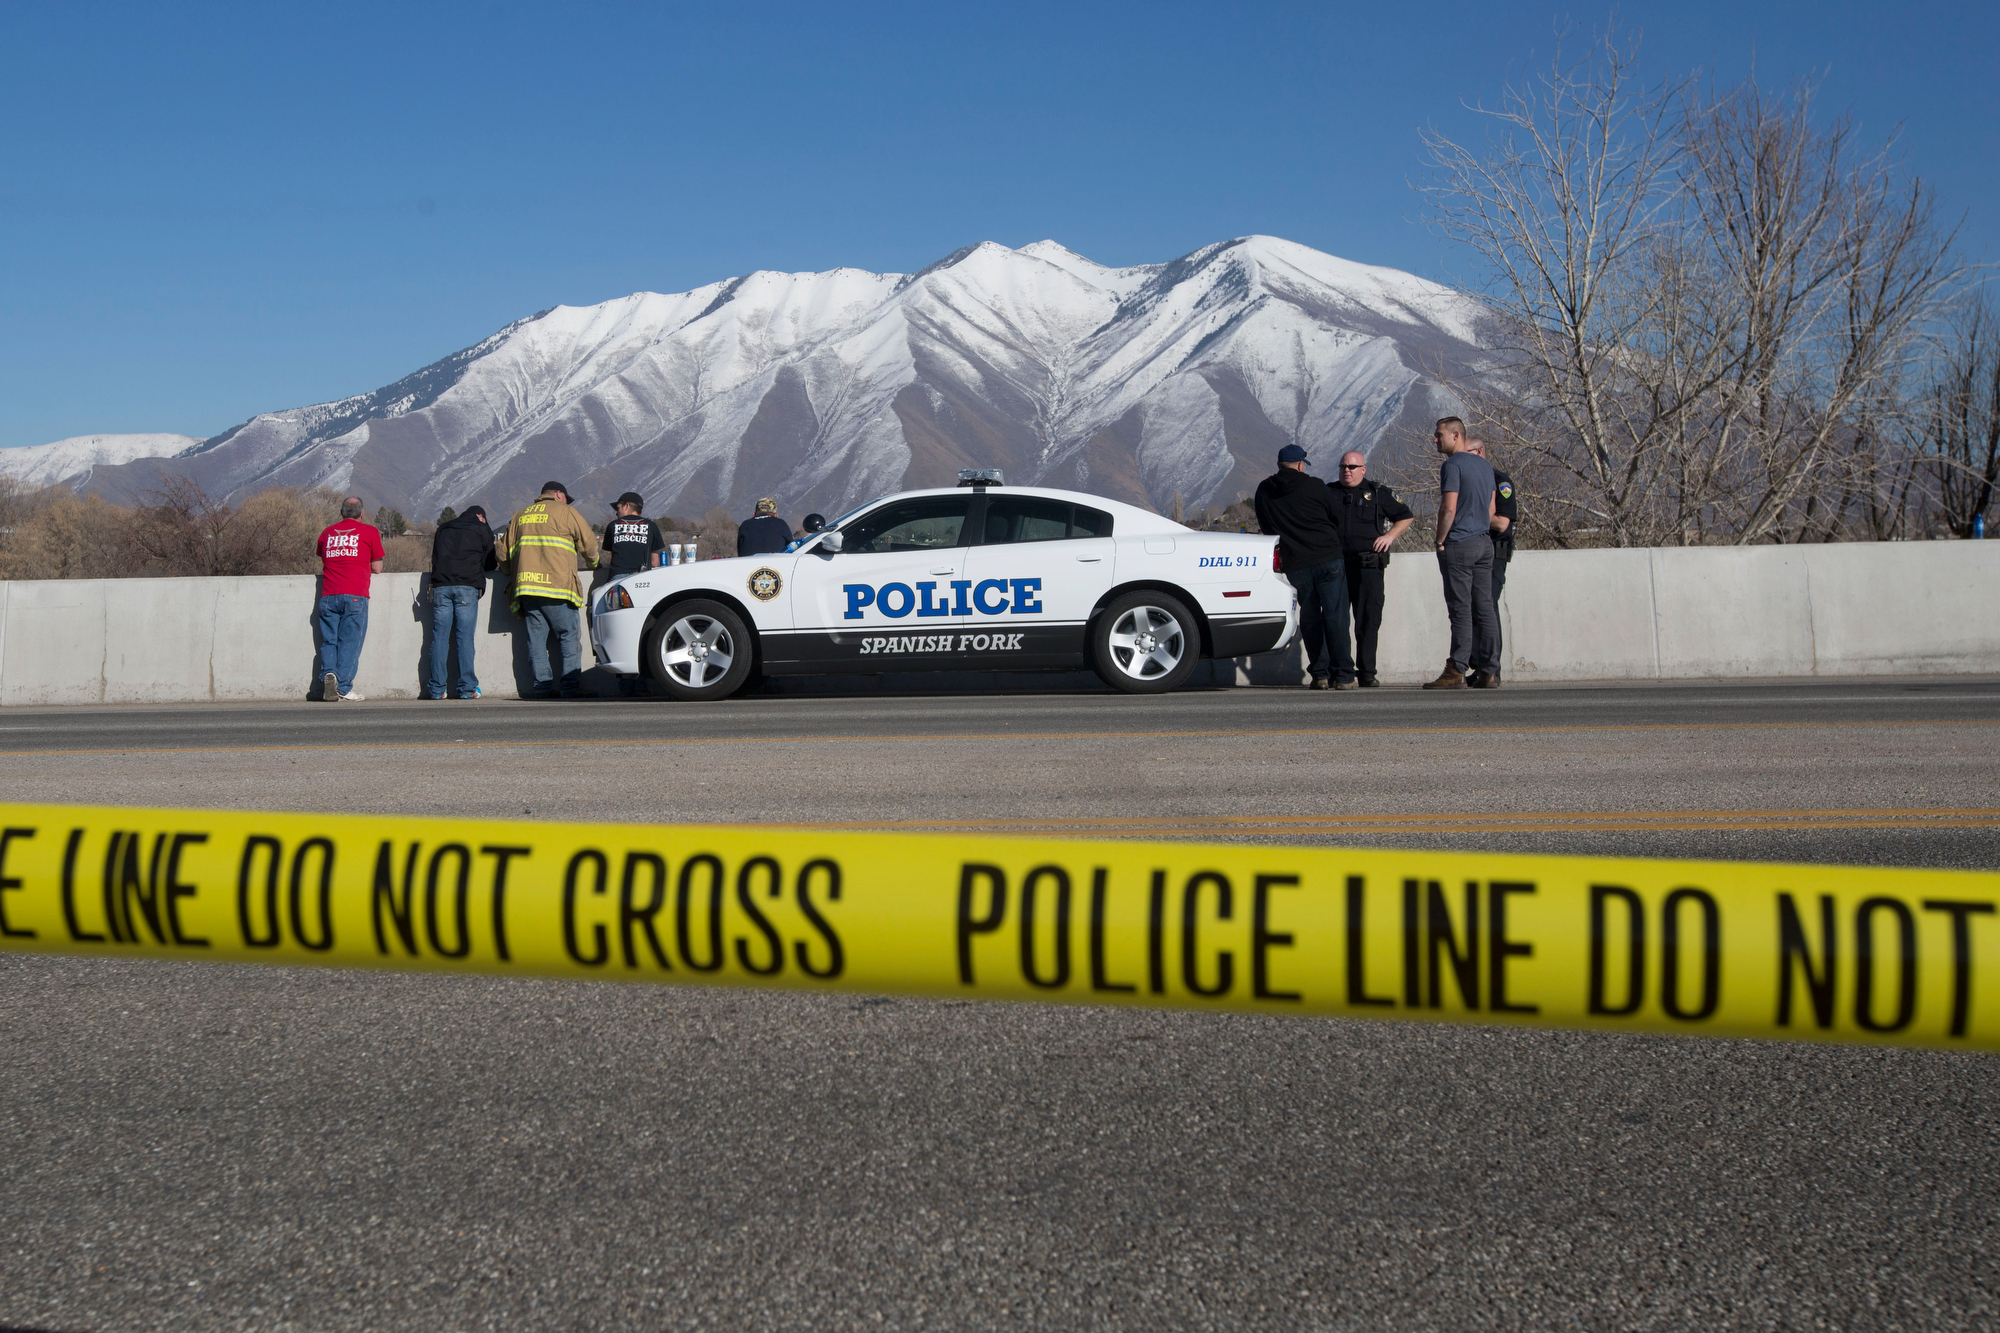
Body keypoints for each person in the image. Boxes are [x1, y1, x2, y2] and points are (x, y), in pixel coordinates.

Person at [1254, 443, 1355, 689]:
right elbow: (1337, 517)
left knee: (1310, 618)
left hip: (1296, 564)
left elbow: (1266, 527)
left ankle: (1320, 674)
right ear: (1301, 465)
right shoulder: (1314, 485)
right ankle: (1343, 676)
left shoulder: (1265, 490)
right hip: (1327, 558)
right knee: (1336, 617)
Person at [500, 482, 601, 699]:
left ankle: (542, 688)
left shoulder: (520, 516)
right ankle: (570, 687)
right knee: (568, 636)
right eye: (566, 498)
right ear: (558, 494)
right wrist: (594, 564)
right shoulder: (566, 512)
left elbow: (502, 552)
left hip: (527, 588)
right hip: (557, 587)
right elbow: (589, 543)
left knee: (536, 641)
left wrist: (509, 570)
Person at [1425, 418, 1500, 690]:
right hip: (1484, 542)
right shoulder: (1484, 466)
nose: (1435, 439)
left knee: (1460, 609)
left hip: (1460, 543)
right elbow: (1491, 509)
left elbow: (1448, 508)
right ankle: (1489, 670)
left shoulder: (1452, 466)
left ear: (1456, 435)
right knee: (1485, 607)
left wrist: (1440, 540)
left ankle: (1456, 668)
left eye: (1439, 435)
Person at [1330, 451, 1414, 687]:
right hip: (1338, 566)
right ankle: (1340, 671)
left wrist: (1389, 537)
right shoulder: (1330, 493)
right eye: (1343, 466)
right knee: (1336, 620)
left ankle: (1367, 672)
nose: (1347, 470)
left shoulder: (1377, 493)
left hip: (1368, 566)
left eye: (1353, 466)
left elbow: (1405, 516)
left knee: (1367, 620)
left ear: (1363, 469)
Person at [314, 497, 386, 702]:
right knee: (350, 643)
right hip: (355, 595)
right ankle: (343, 687)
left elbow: (323, 556)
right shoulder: (370, 532)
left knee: (329, 640)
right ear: (362, 514)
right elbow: (377, 568)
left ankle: (329, 673)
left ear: (341, 512)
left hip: (328, 595)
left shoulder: (327, 533)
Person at [426, 504, 497, 700]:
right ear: (481, 517)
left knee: (439, 638)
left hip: (441, 587)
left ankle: (437, 689)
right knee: (464, 639)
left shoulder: (444, 528)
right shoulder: (481, 528)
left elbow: (435, 558)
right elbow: (492, 562)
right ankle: (467, 688)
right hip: (467, 587)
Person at [1465, 439, 1516, 681]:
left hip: (1495, 551)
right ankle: (1478, 665)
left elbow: (1502, 523)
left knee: (1487, 606)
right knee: (1472, 607)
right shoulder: (1464, 478)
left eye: (1467, 453)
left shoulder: (1499, 481)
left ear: (1480, 452)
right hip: (1470, 549)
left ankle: (1491, 668)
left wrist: (1472, 512)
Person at [600, 491, 665, 581]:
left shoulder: (612, 525)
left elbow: (613, 555)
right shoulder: (651, 526)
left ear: (626, 506)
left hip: (618, 577)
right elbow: (654, 562)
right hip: (643, 578)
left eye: (618, 508)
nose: (616, 513)